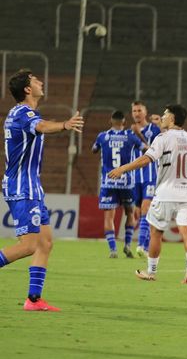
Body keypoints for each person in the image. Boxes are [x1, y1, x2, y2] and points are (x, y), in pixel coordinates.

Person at [0, 69, 84, 311]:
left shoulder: (24, 113)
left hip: (32, 187)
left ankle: (33, 300)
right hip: (22, 187)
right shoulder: (23, 114)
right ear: (27, 89)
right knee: (28, 244)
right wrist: (66, 125)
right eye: (35, 80)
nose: (40, 82)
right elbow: (42, 126)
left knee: (45, 243)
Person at [108, 104, 187, 284]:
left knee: (156, 232)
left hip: (166, 193)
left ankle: (151, 272)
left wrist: (123, 168)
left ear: (172, 119)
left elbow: (145, 159)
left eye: (165, 115)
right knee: (186, 231)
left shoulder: (163, 138)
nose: (162, 118)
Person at [92, 110, 147, 258]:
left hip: (108, 182)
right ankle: (128, 245)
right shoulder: (130, 136)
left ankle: (113, 250)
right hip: (126, 182)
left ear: (111, 121)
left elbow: (94, 150)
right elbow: (146, 149)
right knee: (130, 213)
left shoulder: (102, 136)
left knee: (109, 217)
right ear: (123, 122)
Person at [130, 101, 161, 259]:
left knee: (145, 209)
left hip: (150, 175)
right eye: (134, 111)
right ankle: (146, 243)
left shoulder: (153, 129)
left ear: (145, 112)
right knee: (139, 212)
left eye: (139, 110)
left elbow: (155, 149)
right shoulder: (130, 132)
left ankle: (141, 245)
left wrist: (161, 124)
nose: (136, 113)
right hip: (135, 178)